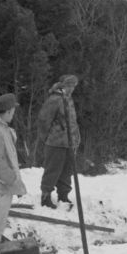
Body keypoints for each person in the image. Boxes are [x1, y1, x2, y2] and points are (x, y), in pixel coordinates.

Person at [37, 75, 80, 208]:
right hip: (55, 143)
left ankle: (63, 195)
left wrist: (76, 138)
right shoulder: (55, 99)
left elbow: (72, 122)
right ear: (63, 85)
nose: (71, 88)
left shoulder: (68, 99)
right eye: (69, 85)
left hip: (69, 143)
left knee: (66, 171)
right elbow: (44, 120)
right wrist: (47, 138)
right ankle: (46, 197)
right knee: (53, 170)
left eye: (73, 86)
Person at [0, 94, 28, 254]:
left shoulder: (4, 129)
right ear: (8, 111)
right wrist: (13, 179)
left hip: (4, 189)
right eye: (13, 111)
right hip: (1, 189)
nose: (14, 114)